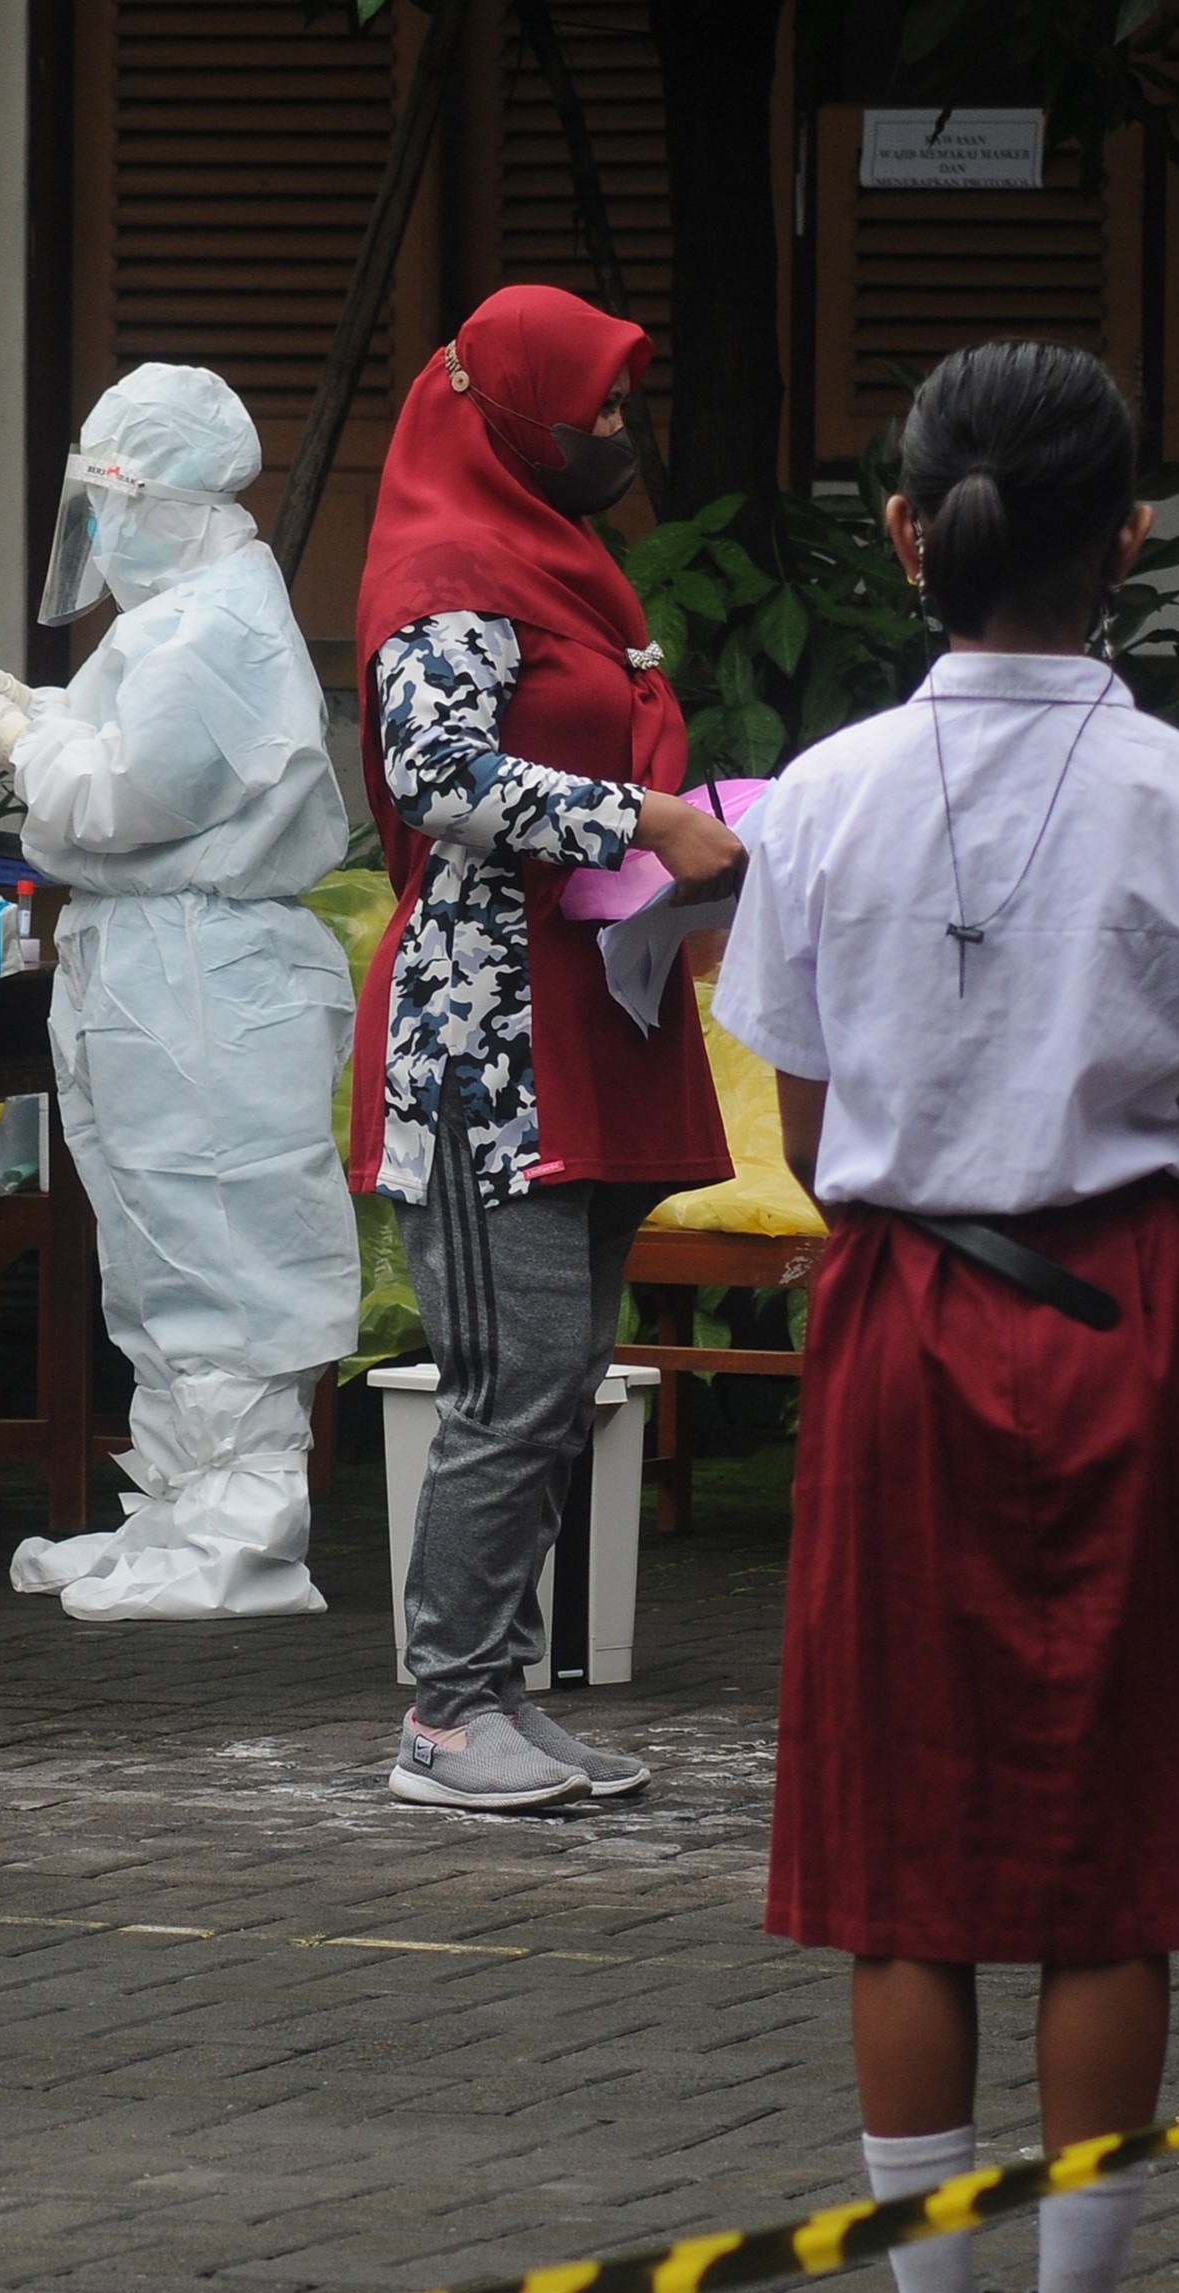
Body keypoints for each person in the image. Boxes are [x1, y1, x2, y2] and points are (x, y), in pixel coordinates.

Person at [717, 338, 1179, 2293]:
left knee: (902, 1855)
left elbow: (809, 1126)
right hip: (1133, 1310)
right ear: (1131, 544)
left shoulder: (817, 795)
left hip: (903, 1312)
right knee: (1117, 1851)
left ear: (907, 535)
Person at [346, 284, 748, 1811]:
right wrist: (635, 821)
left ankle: (500, 1691)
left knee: (561, 1369)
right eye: (589, 410)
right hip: (484, 1028)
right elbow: (433, 769)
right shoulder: (452, 565)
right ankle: (446, 1716)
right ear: (511, 416)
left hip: (585, 1003)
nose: (612, 437)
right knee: (508, 1378)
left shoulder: (556, 559)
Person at [0, 362, 362, 1621]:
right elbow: (131, 747)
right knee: (157, 1241)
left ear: (158, 494)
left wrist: (28, 743)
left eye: (110, 497)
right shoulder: (185, 613)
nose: (101, 529)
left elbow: (124, 799)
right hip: (156, 965)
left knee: (220, 1244)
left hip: (203, 973)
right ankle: (182, 1506)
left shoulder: (222, 622)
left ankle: (246, 1533)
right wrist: (52, 713)